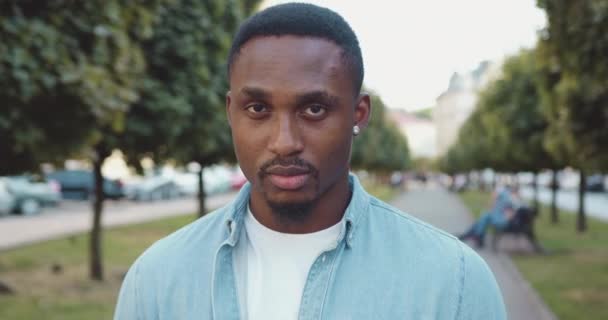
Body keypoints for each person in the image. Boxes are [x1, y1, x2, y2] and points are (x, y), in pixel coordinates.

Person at [114, 3, 506, 319]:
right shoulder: (156, 282)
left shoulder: (453, 282)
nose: (284, 143)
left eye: (314, 109)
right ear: (231, 112)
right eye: (257, 108)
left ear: (359, 114)